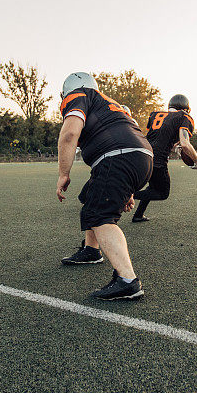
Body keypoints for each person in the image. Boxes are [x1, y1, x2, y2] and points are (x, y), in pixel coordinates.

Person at [56, 72, 153, 300]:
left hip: (118, 158)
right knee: (90, 196)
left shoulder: (79, 95)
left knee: (101, 216)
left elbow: (70, 134)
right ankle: (91, 250)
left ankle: (127, 280)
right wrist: (128, 189)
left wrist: (63, 173)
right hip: (142, 157)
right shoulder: (112, 105)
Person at [131, 94, 197, 222]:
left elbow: (158, 135)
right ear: (186, 108)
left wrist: (173, 143)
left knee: (152, 188)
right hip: (158, 161)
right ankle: (126, 195)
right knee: (162, 193)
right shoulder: (184, 116)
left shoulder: (155, 115)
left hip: (144, 154)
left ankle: (138, 215)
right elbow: (185, 143)